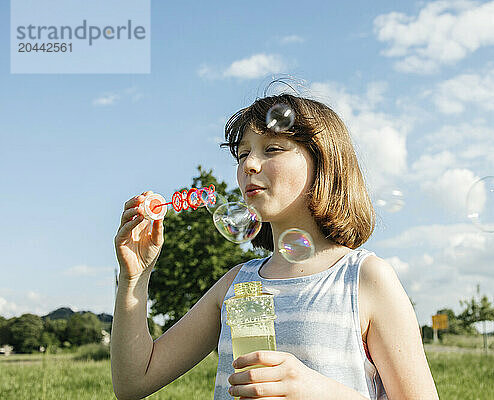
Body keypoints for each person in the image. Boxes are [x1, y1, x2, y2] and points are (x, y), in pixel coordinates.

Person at [112, 93, 439, 400]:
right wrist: (135, 278)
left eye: (272, 149)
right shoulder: (236, 283)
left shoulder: (362, 278)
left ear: (323, 162)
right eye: (242, 154)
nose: (249, 165)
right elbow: (134, 381)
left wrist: (316, 388)